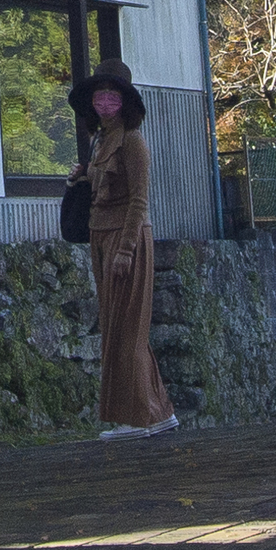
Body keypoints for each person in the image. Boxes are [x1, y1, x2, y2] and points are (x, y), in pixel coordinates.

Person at [78, 68, 178, 438]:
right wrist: (85, 174)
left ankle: (135, 418)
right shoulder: (101, 141)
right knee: (119, 325)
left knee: (127, 329)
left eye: (112, 97)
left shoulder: (133, 140)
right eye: (98, 97)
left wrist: (126, 249)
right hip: (100, 235)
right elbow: (107, 181)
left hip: (125, 238)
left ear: (125, 102)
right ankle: (157, 411)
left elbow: (139, 200)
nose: (105, 104)